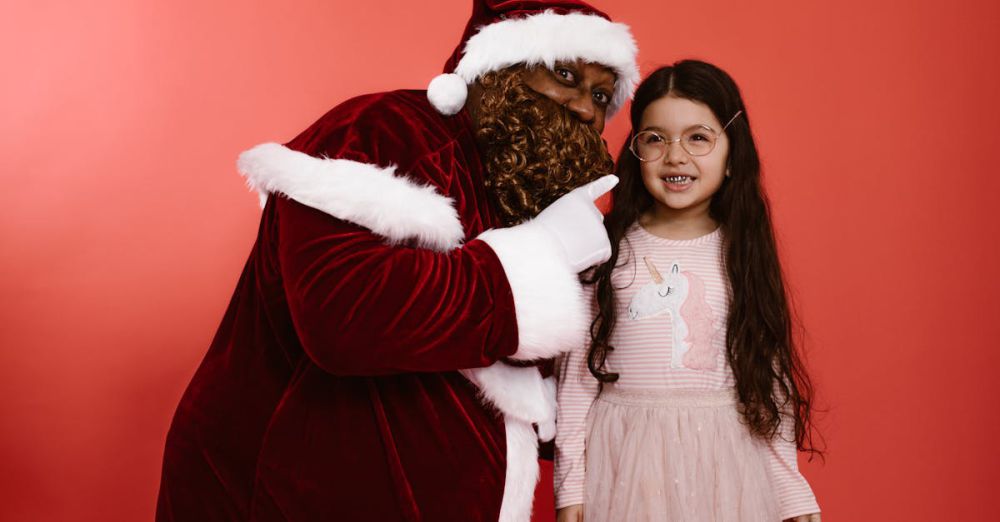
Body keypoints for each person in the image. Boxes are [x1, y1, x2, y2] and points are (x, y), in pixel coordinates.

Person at [155, 1, 639, 521]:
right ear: (497, 70)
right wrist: (543, 257)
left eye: (601, 96)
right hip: (283, 490)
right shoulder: (384, 131)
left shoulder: (515, 190)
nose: (587, 110)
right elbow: (343, 312)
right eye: (565, 74)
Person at [554, 60, 822, 522]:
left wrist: (792, 492)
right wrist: (571, 484)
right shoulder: (605, 247)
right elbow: (577, 377)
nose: (675, 156)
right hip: (627, 465)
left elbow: (767, 381)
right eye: (656, 138)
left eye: (698, 137)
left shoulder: (741, 252)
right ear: (636, 149)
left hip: (725, 463)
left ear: (732, 150)